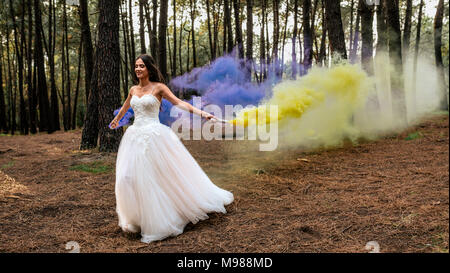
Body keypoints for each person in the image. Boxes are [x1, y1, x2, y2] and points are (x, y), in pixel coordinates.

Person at [110, 54, 234, 243]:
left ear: (149, 69)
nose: (138, 69)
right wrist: (117, 119)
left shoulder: (159, 87)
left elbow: (179, 102)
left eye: (141, 66)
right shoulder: (133, 89)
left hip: (154, 136)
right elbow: (126, 106)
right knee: (128, 177)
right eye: (136, 66)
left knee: (155, 177)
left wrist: (203, 113)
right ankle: (137, 218)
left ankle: (161, 219)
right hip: (134, 137)